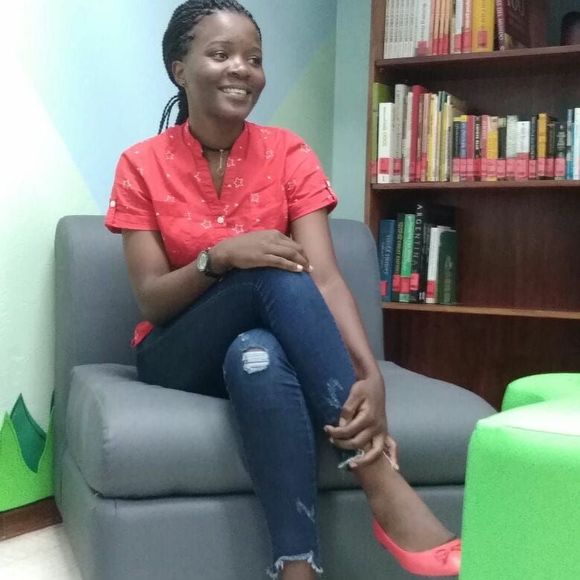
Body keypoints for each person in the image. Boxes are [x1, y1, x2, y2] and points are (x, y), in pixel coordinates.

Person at [105, 1, 461, 578]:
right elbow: (151, 298)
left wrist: (369, 374)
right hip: (175, 350)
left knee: (259, 359)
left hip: (261, 346)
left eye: (254, 59)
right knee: (272, 265)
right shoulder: (140, 164)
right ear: (179, 69)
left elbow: (325, 276)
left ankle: (297, 568)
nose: (241, 69)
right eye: (221, 54)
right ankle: (380, 479)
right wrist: (221, 256)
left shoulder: (289, 153)